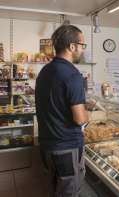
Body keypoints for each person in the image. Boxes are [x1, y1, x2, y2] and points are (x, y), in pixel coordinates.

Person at [35, 24, 89, 197]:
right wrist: (87, 111)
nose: (82, 49)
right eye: (82, 45)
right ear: (72, 46)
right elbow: (80, 119)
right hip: (66, 148)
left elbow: (55, 103)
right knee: (69, 192)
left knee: (52, 189)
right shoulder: (73, 74)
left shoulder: (45, 71)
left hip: (46, 145)